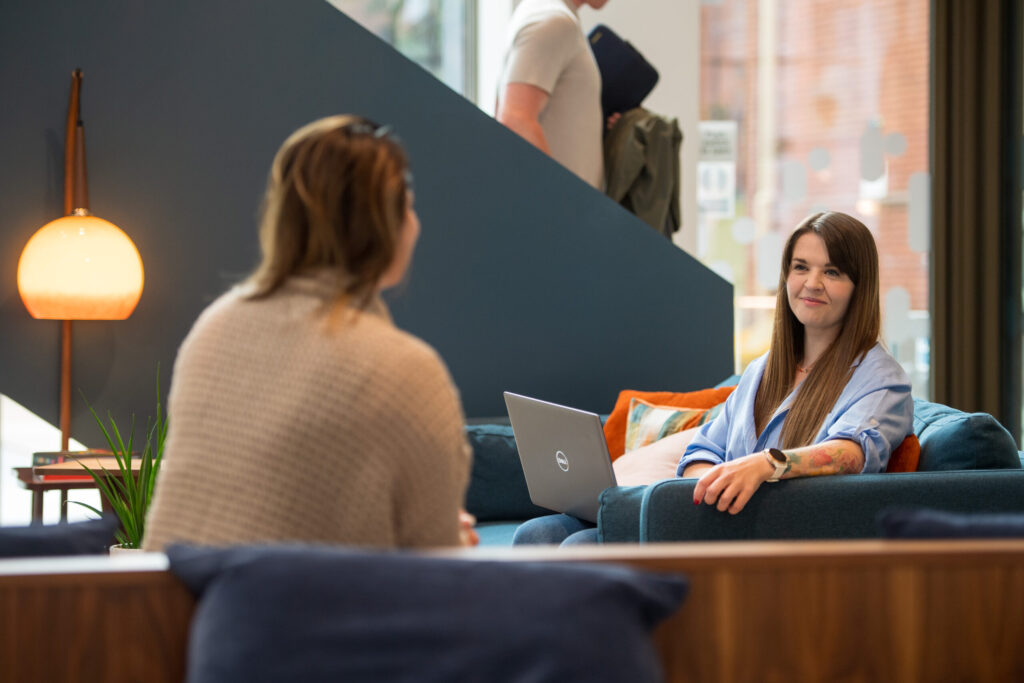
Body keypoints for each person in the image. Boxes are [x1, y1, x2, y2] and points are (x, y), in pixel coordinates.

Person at [144, 115, 476, 551]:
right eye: (408, 205)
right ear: (386, 224)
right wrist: (458, 540)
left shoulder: (214, 326)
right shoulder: (406, 371)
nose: (415, 222)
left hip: (171, 610)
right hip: (295, 615)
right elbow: (435, 569)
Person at [513, 210, 913, 544]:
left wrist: (764, 465)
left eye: (833, 272)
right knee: (537, 535)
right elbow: (702, 449)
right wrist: (712, 484)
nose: (811, 283)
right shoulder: (764, 370)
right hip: (711, 517)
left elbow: (851, 453)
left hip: (772, 534)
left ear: (859, 287)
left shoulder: (880, 378)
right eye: (800, 267)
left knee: (582, 546)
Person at [496, 0, 610, 189]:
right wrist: (563, 204)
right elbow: (515, 119)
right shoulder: (554, 21)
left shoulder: (547, 13)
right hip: (555, 211)